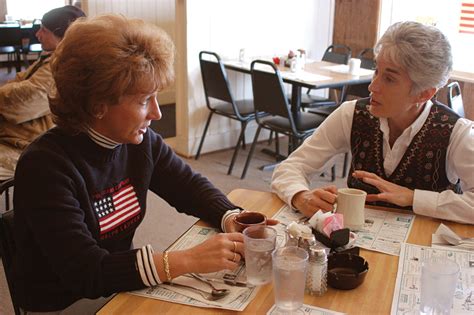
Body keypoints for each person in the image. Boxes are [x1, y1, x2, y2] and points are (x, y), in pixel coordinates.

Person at [13, 15, 268, 313]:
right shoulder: (44, 166)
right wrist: (186, 260)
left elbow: (188, 186)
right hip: (65, 302)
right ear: (98, 103)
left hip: (116, 285)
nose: (158, 113)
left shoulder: (137, 142)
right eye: (145, 100)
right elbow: (86, 272)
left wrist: (231, 216)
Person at [271, 21, 473, 224]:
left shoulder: (456, 133)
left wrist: (414, 198)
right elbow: (291, 167)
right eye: (376, 71)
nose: (372, 86)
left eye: (390, 79)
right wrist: (300, 195)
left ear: (424, 93)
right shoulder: (352, 114)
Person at [0, 5, 86, 181]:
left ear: (62, 34)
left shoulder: (63, 67)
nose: (38, 34)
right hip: (20, 134)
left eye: (43, 30)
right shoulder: (52, 57)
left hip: (35, 145)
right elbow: (18, 80)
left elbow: (22, 102)